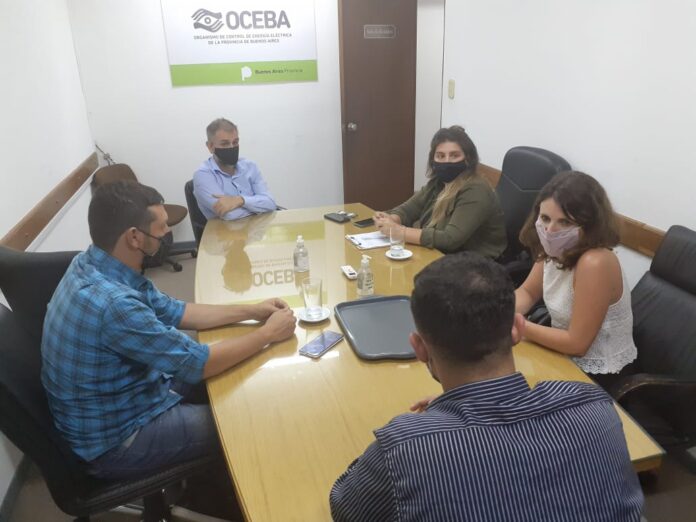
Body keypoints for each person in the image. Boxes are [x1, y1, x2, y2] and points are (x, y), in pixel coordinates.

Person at [330, 253, 643, 521]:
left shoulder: (403, 449)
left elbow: (345, 508)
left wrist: (430, 423)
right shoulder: (595, 407)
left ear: (419, 348)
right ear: (517, 329)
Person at [41, 180, 296, 482]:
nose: (166, 233)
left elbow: (177, 311)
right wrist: (267, 335)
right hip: (118, 441)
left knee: (239, 377)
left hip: (130, 395)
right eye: (161, 227)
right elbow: (198, 364)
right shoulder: (114, 304)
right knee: (247, 417)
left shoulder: (94, 263)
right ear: (134, 237)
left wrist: (252, 311)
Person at [515, 171, 637, 388]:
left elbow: (577, 344)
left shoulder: (595, 262)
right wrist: (499, 311)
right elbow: (528, 292)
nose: (550, 231)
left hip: (595, 374)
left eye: (564, 222)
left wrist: (516, 324)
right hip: (559, 353)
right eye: (545, 218)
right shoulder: (554, 249)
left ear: (590, 226)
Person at [373, 125, 507, 257]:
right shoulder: (438, 183)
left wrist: (400, 232)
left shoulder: (476, 190)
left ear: (468, 158)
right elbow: (407, 210)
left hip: (477, 263)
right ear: (433, 160)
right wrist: (390, 220)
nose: (447, 161)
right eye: (440, 156)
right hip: (443, 255)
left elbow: (450, 239)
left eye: (454, 155)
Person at [193, 118, 276, 221]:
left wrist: (240, 200)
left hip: (258, 228)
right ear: (210, 146)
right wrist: (259, 207)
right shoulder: (203, 175)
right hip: (225, 230)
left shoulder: (250, 166)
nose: (232, 147)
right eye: (225, 144)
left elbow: (270, 203)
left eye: (235, 142)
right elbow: (230, 215)